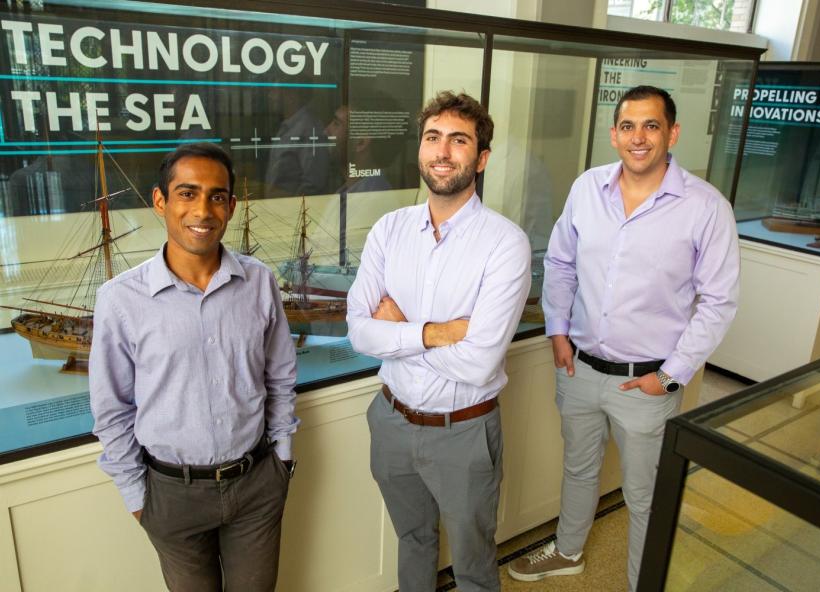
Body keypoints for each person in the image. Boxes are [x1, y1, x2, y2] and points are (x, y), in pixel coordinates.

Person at [508, 85, 739, 591]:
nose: (639, 138)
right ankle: (568, 551)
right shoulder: (587, 188)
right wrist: (559, 332)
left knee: (645, 495)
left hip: (647, 384)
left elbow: (719, 302)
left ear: (672, 133)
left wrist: (670, 376)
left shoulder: (705, 207)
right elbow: (562, 262)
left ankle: (643, 583)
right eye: (629, 126)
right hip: (579, 369)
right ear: (613, 135)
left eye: (651, 126)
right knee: (578, 469)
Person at [90, 143, 299, 592]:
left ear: (231, 205)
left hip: (256, 486)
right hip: (171, 494)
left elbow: (280, 377)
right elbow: (112, 409)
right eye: (187, 193)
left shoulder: (259, 281)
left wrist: (282, 461)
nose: (202, 210)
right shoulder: (120, 299)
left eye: (216, 196)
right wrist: (137, 497)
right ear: (160, 201)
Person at [346, 91, 531, 592]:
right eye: (433, 138)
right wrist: (437, 332)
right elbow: (360, 330)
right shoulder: (389, 230)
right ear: (420, 150)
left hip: (464, 434)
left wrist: (399, 329)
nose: (443, 151)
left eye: (459, 140)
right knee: (413, 540)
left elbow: (478, 363)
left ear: (481, 158)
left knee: (473, 561)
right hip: (391, 421)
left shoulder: (505, 244)